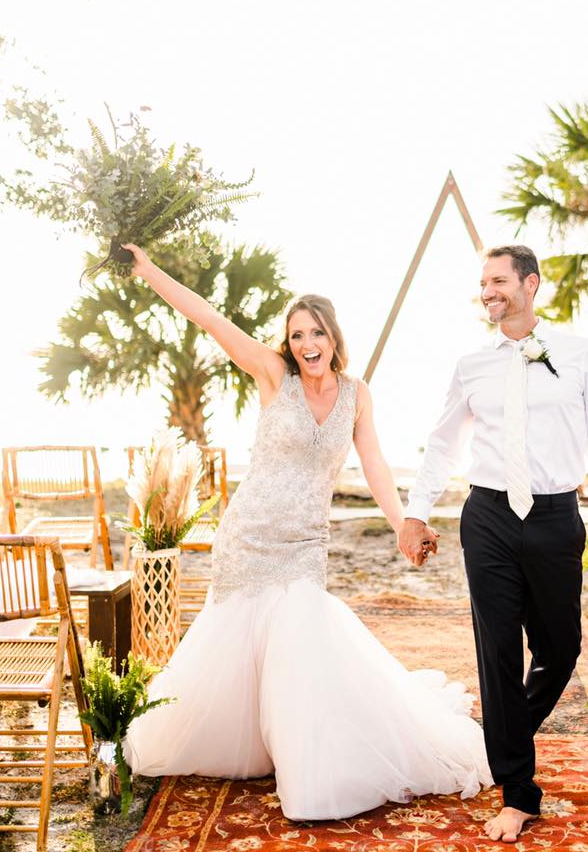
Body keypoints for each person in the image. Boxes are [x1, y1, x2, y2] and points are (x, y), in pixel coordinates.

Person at [120, 243, 490, 820]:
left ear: (334, 338)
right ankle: (258, 747)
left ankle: (313, 769)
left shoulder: (357, 395)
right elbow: (210, 318)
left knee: (301, 650)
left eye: (315, 333)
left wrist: (403, 525)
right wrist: (148, 271)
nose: (307, 345)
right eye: (296, 336)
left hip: (303, 547)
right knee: (241, 652)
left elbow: (375, 467)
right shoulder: (273, 375)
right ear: (286, 344)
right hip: (249, 536)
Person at [401, 244, 588, 844]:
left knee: (562, 647)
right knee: (497, 651)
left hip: (557, 517)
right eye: (483, 283)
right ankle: (517, 790)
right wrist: (415, 512)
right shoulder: (471, 364)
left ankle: (500, 739)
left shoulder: (581, 355)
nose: (488, 291)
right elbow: (442, 442)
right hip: (489, 518)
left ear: (532, 285)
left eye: (499, 280)